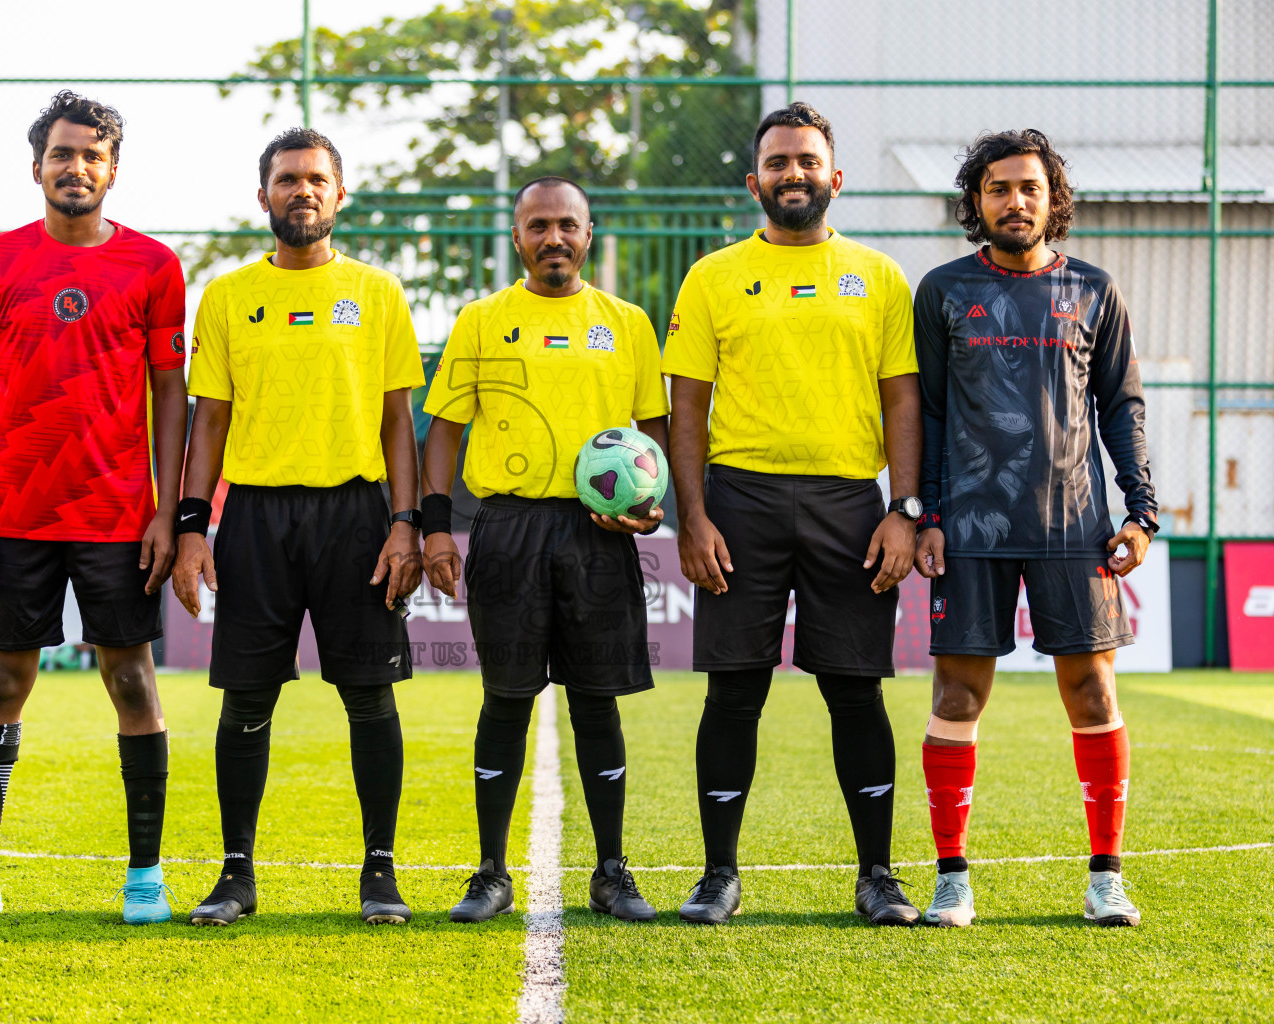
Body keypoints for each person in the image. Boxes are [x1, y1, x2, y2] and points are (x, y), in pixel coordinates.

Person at [0, 91, 187, 925]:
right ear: (36, 165)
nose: (77, 168)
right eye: (63, 154)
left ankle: (144, 876)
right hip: (16, 516)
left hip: (117, 516)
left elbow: (171, 394)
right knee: (2, 680)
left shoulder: (152, 265)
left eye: (93, 155)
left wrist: (167, 511)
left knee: (132, 681)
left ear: (114, 169)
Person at [664, 102, 923, 926]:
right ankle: (718, 875)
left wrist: (904, 511)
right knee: (733, 691)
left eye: (807, 161)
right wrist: (693, 517)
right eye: (777, 163)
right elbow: (687, 410)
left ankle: (877, 875)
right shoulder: (711, 276)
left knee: (856, 691)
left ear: (835, 178)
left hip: (851, 504)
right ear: (755, 182)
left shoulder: (879, 278)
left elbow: (904, 402)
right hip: (740, 502)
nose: (793, 174)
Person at [171, 127, 425, 927]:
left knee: (369, 698)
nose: (302, 191)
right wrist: (190, 527)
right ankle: (236, 875)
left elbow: (398, 422)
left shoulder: (378, 294)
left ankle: (379, 873)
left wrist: (406, 524)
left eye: (316, 179)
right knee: (244, 701)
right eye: (287, 179)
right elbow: (207, 423)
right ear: (264, 197)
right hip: (254, 518)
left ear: (339, 195)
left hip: (356, 517)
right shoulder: (225, 295)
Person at [914, 129, 1157, 928]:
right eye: (997, 188)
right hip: (972, 527)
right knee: (957, 694)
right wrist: (927, 513)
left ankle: (1105, 878)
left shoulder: (1093, 290)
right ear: (975, 201)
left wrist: (1141, 510)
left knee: (1092, 691)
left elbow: (1121, 405)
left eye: (1028, 187)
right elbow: (930, 412)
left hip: (1073, 527)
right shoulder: (945, 291)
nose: (1014, 201)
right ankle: (952, 877)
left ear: (1053, 199)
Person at [422, 176, 670, 924]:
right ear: (518, 236)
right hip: (507, 528)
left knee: (596, 703)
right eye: (538, 225)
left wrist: (650, 507)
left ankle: (611, 871)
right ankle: (491, 873)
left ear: (588, 233)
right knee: (505, 700)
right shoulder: (480, 320)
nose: (553, 237)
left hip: (599, 536)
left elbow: (652, 434)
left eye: (567, 224)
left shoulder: (626, 323)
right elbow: (443, 429)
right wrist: (436, 524)